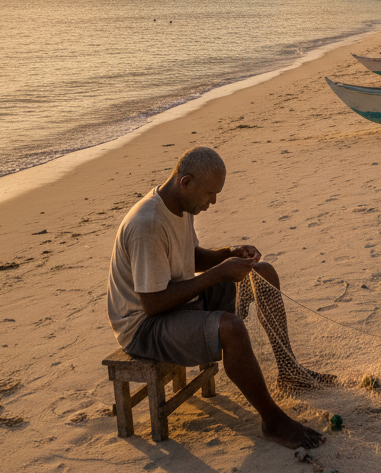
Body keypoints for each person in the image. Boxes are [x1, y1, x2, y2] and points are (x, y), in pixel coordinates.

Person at [107, 146, 327, 449]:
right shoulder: (149, 224)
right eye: (210, 194)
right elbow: (153, 304)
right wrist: (220, 273)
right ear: (186, 182)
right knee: (231, 329)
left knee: (263, 272)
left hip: (175, 302)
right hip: (143, 326)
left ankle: (289, 371)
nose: (213, 201)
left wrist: (229, 253)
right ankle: (272, 421)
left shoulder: (179, 206)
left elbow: (189, 258)